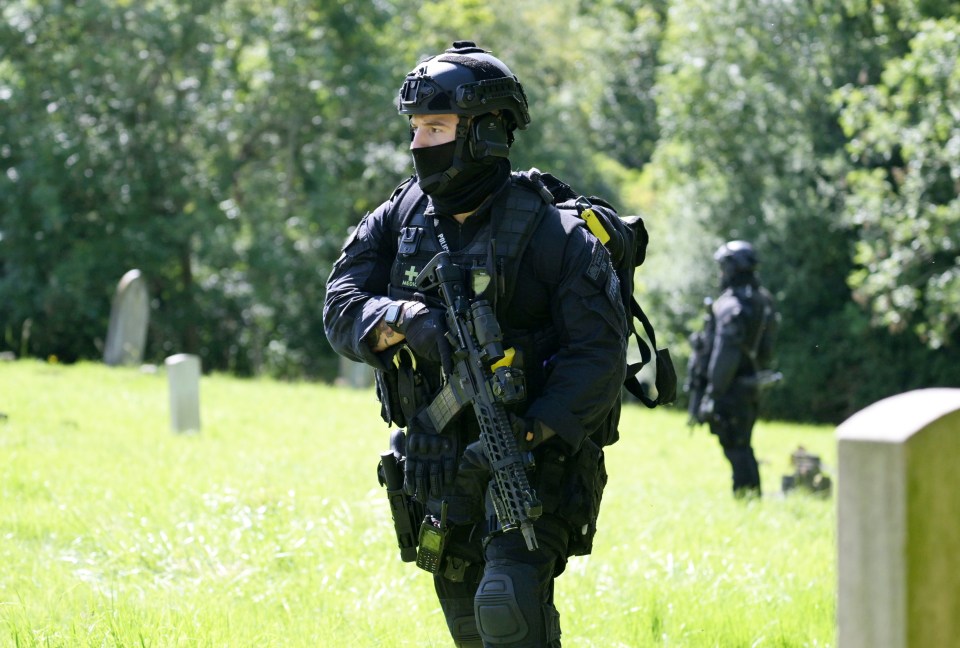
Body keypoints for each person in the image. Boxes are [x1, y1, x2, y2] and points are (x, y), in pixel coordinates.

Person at [323, 41, 627, 647]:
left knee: (507, 611)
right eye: (415, 128)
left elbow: (598, 356)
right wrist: (407, 319)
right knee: (470, 627)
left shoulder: (555, 232)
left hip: (530, 460)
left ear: (486, 133)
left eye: (436, 127)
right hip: (437, 465)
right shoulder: (399, 216)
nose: (419, 144)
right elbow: (340, 307)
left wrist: (530, 430)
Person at [692, 240, 779, 497]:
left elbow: (724, 355)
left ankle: (746, 497)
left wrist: (713, 393)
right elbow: (766, 350)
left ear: (732, 269)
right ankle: (750, 497)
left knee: (736, 446)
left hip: (731, 388)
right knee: (742, 444)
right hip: (751, 383)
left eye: (723, 267)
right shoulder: (764, 301)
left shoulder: (731, 306)